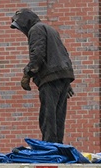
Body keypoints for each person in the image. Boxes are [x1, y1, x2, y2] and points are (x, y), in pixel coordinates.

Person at [11, 8, 75, 144]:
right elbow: (63, 54)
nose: (21, 31)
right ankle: (57, 148)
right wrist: (66, 82)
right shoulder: (50, 29)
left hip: (50, 78)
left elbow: (37, 55)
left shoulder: (36, 29)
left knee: (48, 116)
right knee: (58, 117)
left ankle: (49, 149)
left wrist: (27, 74)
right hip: (62, 76)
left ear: (26, 22)